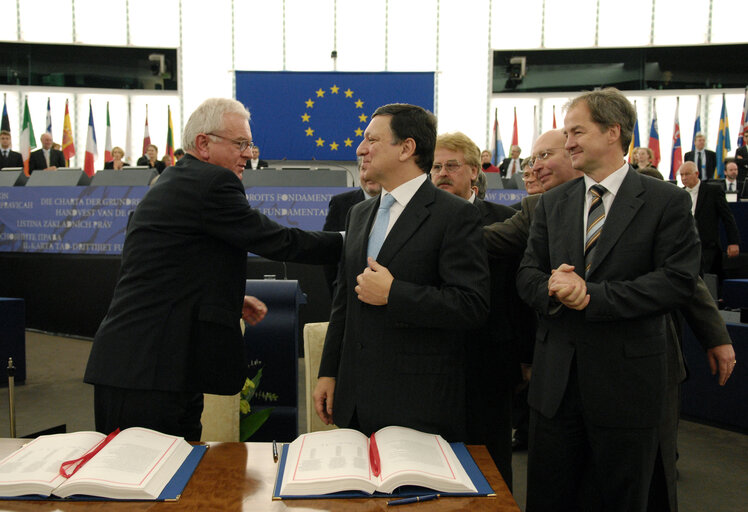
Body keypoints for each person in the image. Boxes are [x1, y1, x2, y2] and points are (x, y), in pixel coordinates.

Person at [84, 98, 343, 441]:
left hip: (150, 365)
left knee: (176, 474)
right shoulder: (210, 183)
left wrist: (229, 298)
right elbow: (277, 240)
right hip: (149, 371)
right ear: (204, 144)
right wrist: (349, 241)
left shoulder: (180, 180)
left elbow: (171, 267)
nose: (248, 154)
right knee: (147, 482)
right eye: (240, 144)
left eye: (250, 144)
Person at [517, 88, 702, 511]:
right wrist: (550, 285)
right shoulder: (550, 205)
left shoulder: (666, 202)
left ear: (613, 132)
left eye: (577, 131)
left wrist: (593, 297)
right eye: (567, 133)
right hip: (555, 390)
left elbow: (677, 281)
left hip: (628, 390)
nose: (567, 143)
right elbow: (526, 274)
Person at [313, 104, 490, 442]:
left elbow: (471, 304)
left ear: (407, 148)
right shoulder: (358, 214)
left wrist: (395, 294)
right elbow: (343, 303)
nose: (361, 149)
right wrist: (329, 372)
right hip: (354, 402)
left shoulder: (454, 215)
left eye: (372, 140)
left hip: (417, 403)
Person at [431, 131, 519, 488]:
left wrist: (522, 357)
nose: (442, 173)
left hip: (489, 364)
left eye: (452, 165)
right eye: (435, 166)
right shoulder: (416, 222)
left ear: (474, 172)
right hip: (431, 365)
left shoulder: (507, 219)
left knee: (490, 468)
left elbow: (517, 295)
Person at [322, 157, 382, 295]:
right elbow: (330, 253)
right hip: (349, 294)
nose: (369, 175)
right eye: (364, 169)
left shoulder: (401, 205)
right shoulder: (341, 203)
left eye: (375, 170)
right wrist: (337, 292)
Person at [679, 160, 740, 277]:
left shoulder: (713, 191)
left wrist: (733, 242)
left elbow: (728, 218)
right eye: (681, 175)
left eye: (687, 174)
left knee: (708, 280)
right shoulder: (680, 194)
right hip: (686, 247)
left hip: (708, 246)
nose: (684, 178)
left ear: (696, 174)